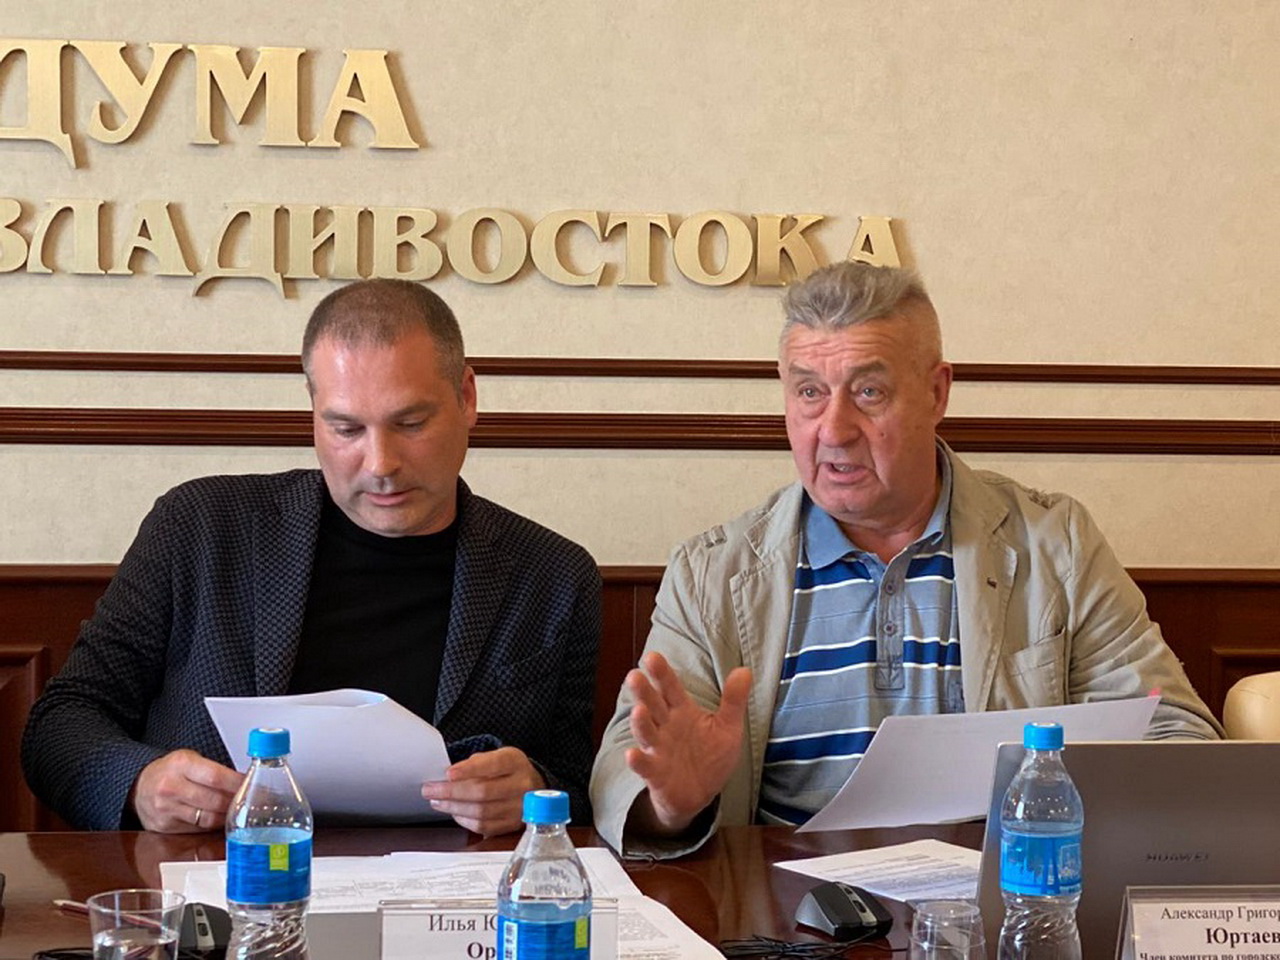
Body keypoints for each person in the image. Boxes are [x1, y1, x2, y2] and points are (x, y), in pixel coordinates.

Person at [590, 261, 1221, 858]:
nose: (833, 429)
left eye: (869, 392)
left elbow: (1175, 732)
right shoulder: (713, 571)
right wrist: (671, 804)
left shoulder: (1056, 544)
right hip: (784, 911)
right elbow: (628, 763)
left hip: (1002, 898)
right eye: (809, 392)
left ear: (936, 392)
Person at [22, 279, 601, 836]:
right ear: (313, 411)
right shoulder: (198, 526)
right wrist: (139, 783)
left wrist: (534, 789)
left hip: (449, 888)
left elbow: (575, 783)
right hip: (222, 875)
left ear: (467, 398)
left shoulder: (555, 575)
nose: (380, 463)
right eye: (346, 428)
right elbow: (61, 723)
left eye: (411, 424)